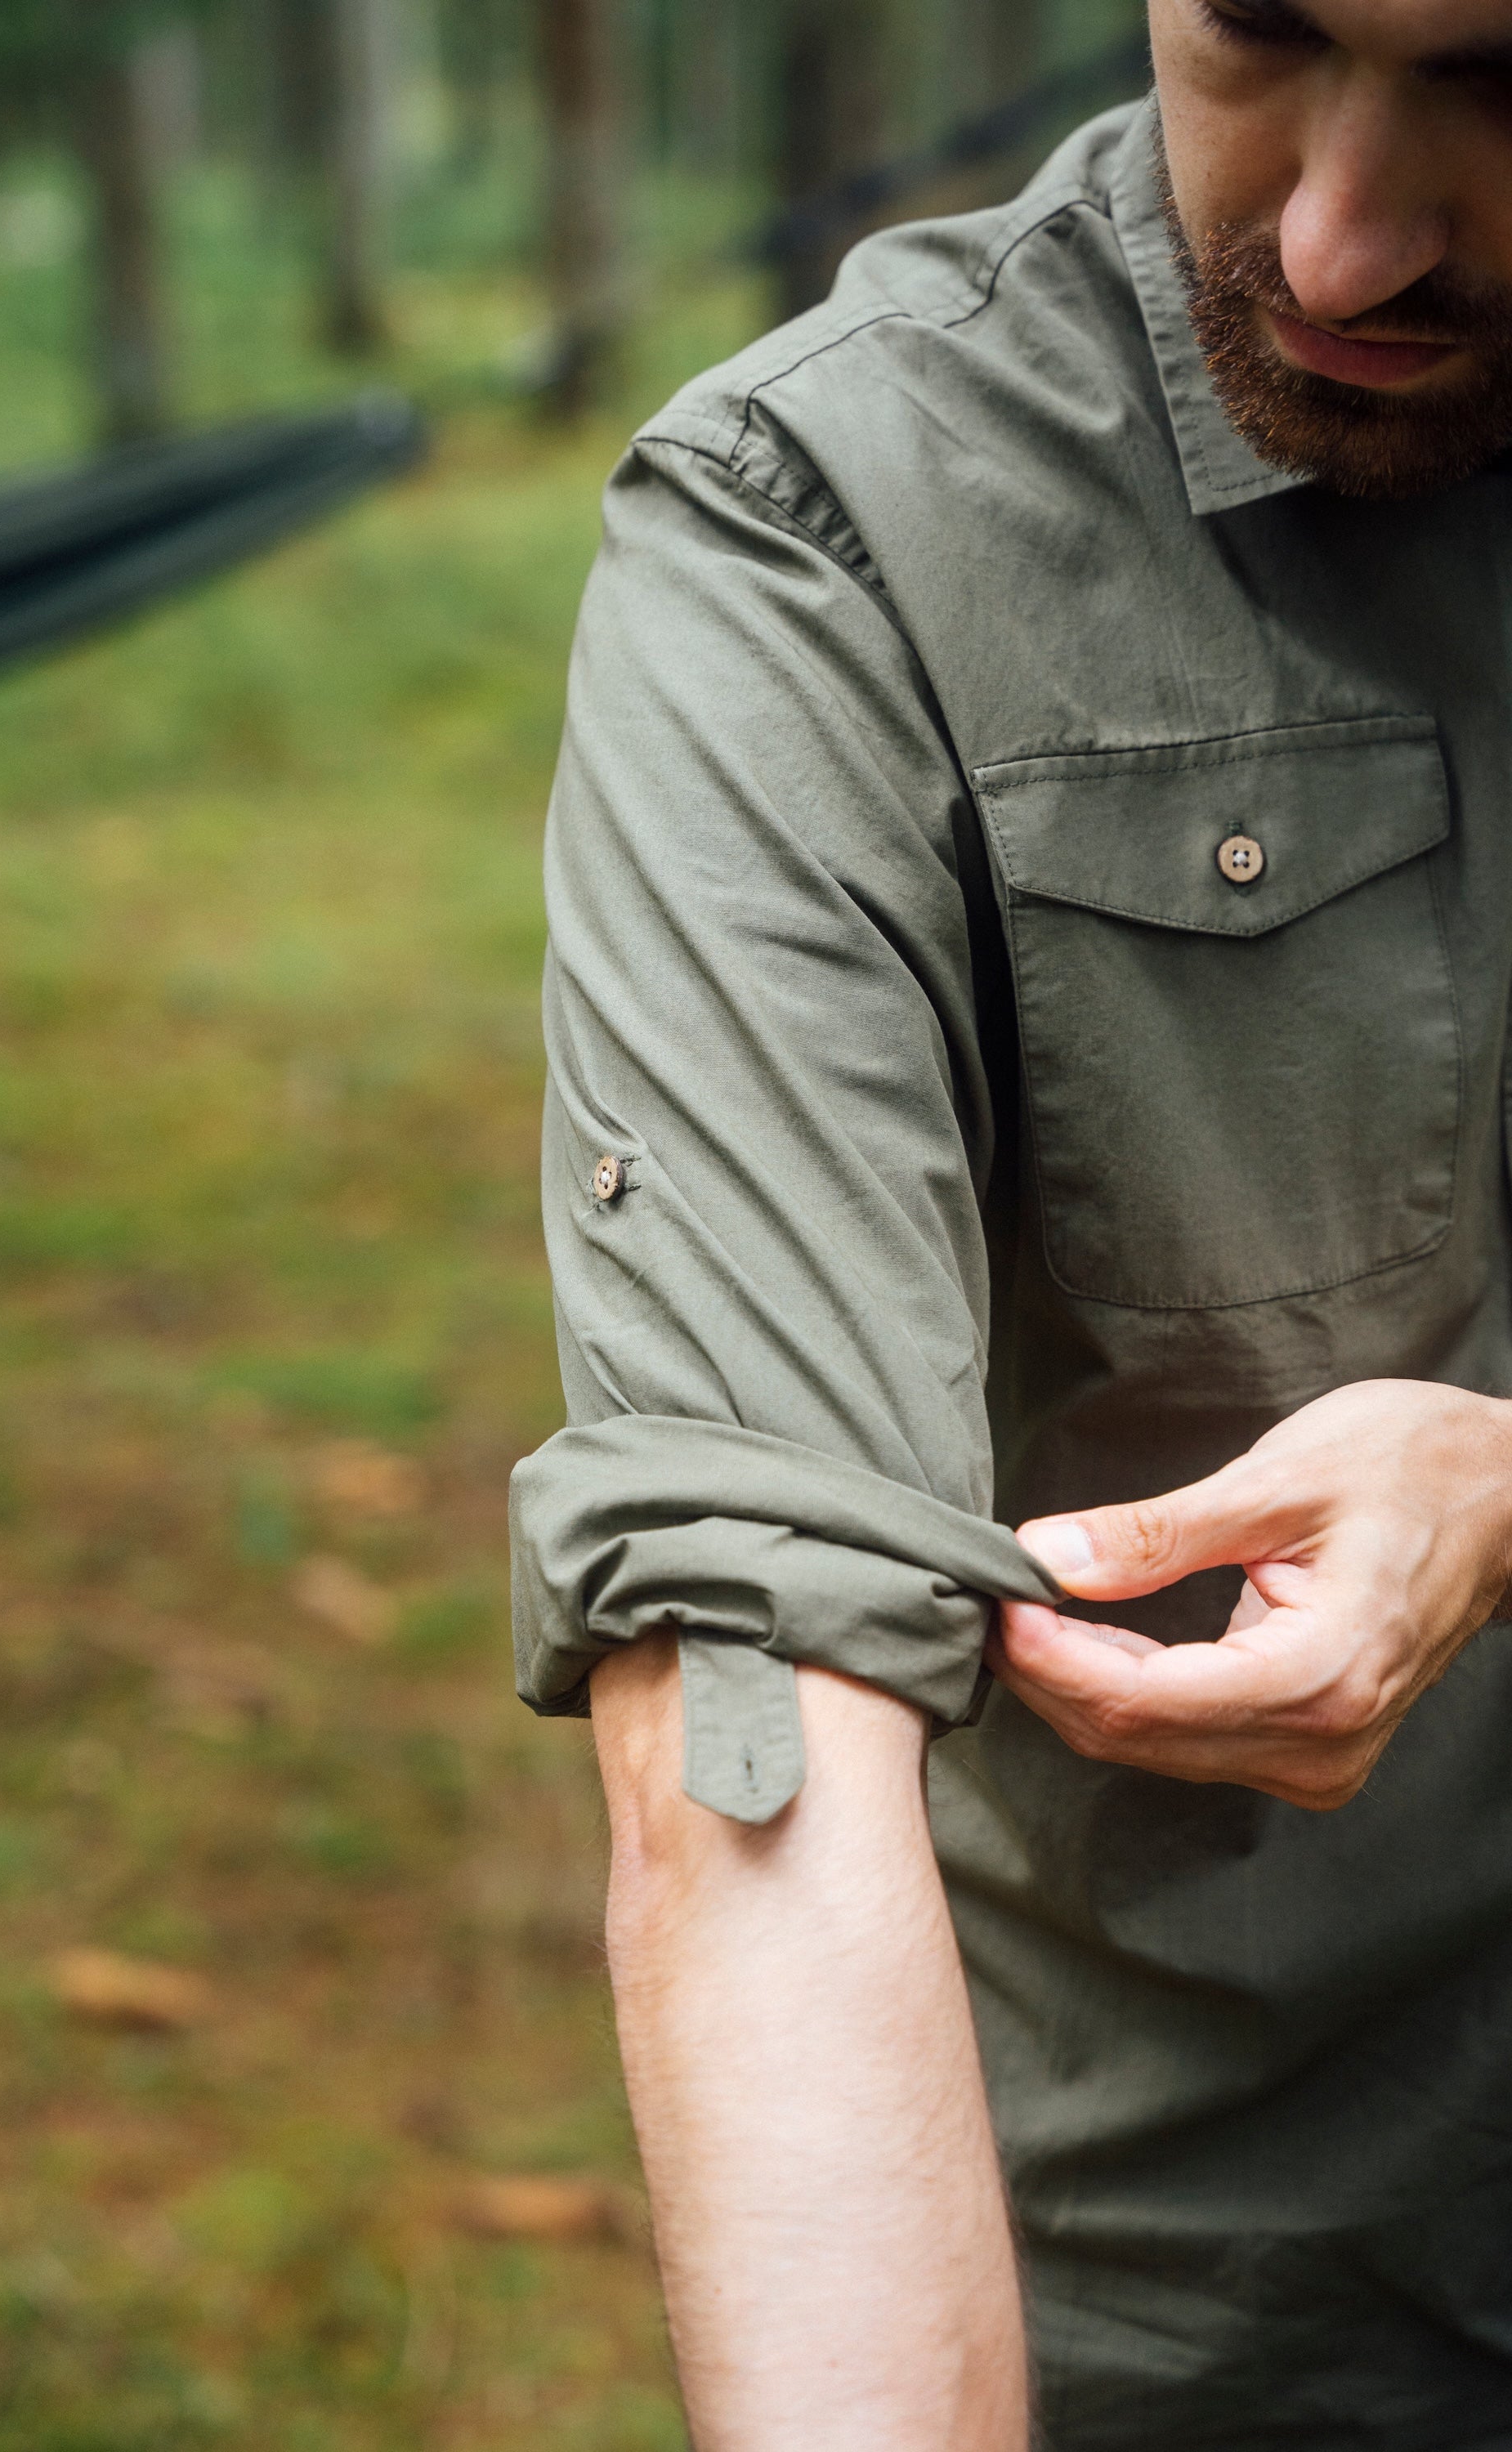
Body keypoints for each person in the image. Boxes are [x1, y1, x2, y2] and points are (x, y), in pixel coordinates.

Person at [508, 2, 1512, 2444]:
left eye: (1509, 80)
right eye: (1254, 31)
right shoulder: (830, 530)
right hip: (1269, 2305)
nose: (1342, 231)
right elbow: (753, 1667)